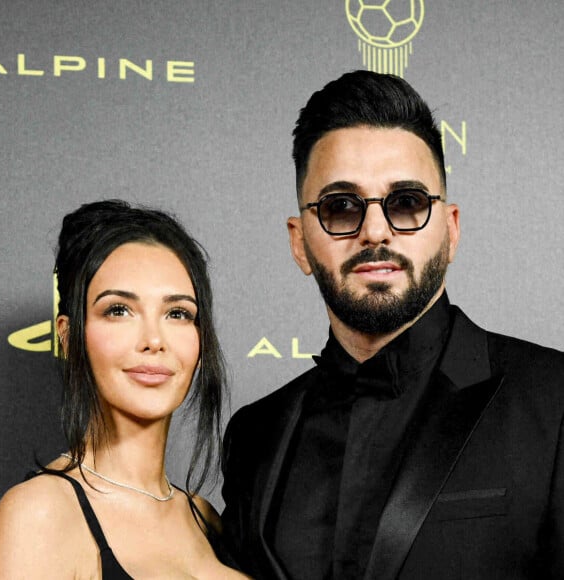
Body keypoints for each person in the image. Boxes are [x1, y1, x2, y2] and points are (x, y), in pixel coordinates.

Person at [220, 70, 564, 579]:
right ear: (299, 242)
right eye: (340, 208)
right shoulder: (255, 435)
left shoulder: (553, 402)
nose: (375, 231)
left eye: (407, 203)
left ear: (450, 231)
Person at [0, 200, 250, 578]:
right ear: (68, 336)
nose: (154, 340)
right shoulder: (40, 514)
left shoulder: (205, 518)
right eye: (118, 310)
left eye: (178, 313)